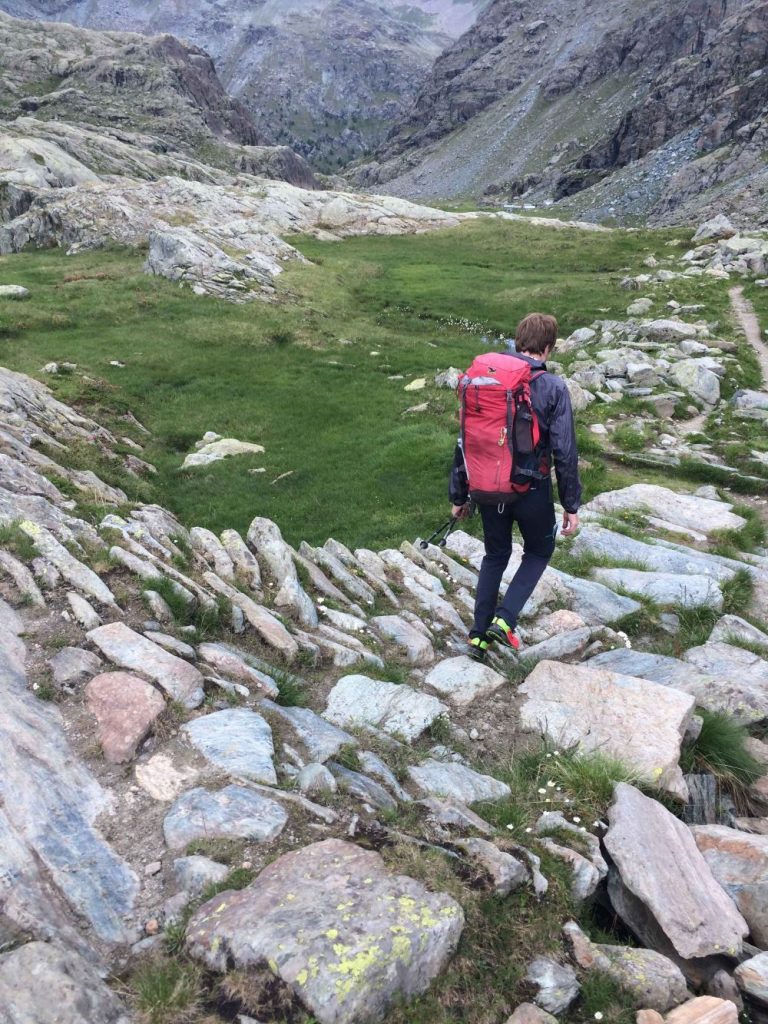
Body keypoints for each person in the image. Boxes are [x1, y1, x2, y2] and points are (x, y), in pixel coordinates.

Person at [449, 312, 581, 661]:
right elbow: (565, 451)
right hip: (530, 490)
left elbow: (465, 440)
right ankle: (505, 620)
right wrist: (571, 504)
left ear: (518, 340)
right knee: (539, 550)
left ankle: (478, 638)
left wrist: (459, 494)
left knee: (495, 555)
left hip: (487, 488)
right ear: (548, 347)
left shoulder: (485, 380)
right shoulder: (553, 387)